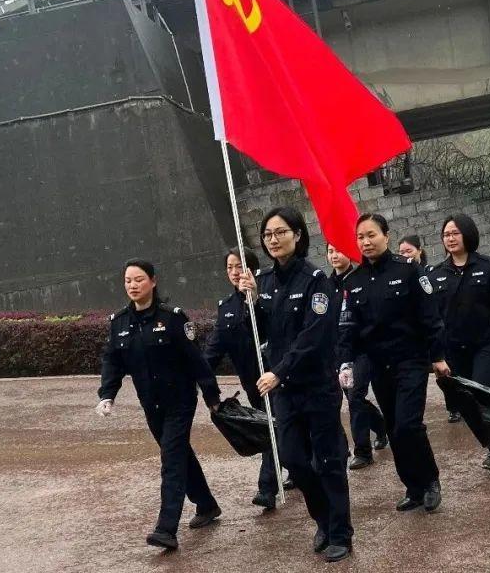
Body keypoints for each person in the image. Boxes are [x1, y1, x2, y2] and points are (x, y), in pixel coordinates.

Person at [237, 207, 353, 562]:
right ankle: (322, 518)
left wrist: (281, 370)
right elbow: (259, 330)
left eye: (280, 232)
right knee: (292, 457)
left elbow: (314, 335)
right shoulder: (266, 281)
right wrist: (252, 301)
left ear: (298, 235)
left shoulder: (316, 280)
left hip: (315, 385)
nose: (273, 240)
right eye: (268, 234)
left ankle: (340, 532)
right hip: (285, 392)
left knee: (329, 460)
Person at [96, 259, 222, 552]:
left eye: (138, 279)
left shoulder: (173, 318)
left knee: (171, 460)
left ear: (153, 281)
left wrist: (212, 396)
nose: (132, 285)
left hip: (179, 401)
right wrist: (107, 394)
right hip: (151, 405)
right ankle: (206, 505)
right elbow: (112, 361)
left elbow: (195, 360)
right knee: (179, 455)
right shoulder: (119, 323)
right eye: (128, 280)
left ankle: (166, 529)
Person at [339, 213, 449, 513]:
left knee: (409, 425)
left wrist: (437, 357)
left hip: (411, 361)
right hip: (379, 365)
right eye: (360, 237)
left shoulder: (409, 270)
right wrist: (345, 363)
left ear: (386, 236)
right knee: (394, 425)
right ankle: (412, 487)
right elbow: (349, 327)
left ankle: (430, 481)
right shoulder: (354, 281)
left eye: (371, 235)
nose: (366, 241)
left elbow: (430, 317)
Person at [432, 214, 490, 476]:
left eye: (455, 233)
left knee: (484, 391)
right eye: (446, 234)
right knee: (468, 401)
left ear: (468, 234)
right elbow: (433, 318)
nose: (450, 238)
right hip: (455, 348)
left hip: (487, 343)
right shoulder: (438, 274)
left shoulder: (489, 267)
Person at [206, 247, 282, 510]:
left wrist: (256, 301)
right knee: (276, 428)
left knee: (272, 427)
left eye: (239, 266)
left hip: (278, 376)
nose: (234, 272)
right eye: (229, 267)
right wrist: (200, 375)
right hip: (252, 381)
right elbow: (214, 349)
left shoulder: (269, 294)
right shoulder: (226, 307)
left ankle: (267, 487)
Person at [327, 244, 388, 470]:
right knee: (355, 397)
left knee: (354, 396)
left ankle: (363, 451)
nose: (334, 255)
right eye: (330, 251)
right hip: (338, 352)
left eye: (339, 250)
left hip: (362, 350)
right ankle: (381, 426)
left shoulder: (361, 279)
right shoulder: (326, 285)